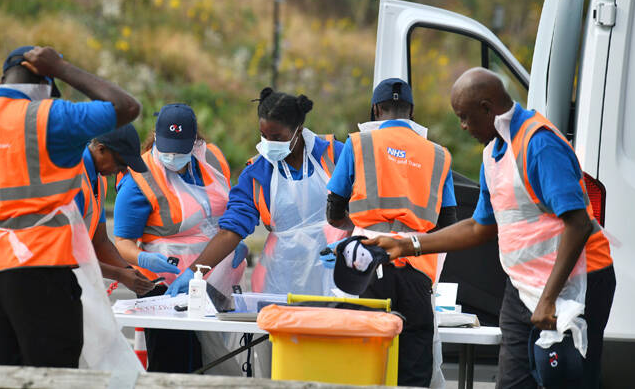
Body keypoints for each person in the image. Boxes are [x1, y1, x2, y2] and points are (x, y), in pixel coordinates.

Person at [363, 68, 614, 389]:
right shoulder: (493, 152)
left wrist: (549, 299)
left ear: (488, 107)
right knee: (512, 380)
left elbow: (577, 224)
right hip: (524, 284)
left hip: (577, 280)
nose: (463, 127)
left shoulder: (539, 144)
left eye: (466, 117)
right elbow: (480, 227)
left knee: (565, 379)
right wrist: (409, 245)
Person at [0, 45, 141, 368]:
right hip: (39, 265)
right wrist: (63, 68)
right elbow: (126, 107)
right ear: (46, 84)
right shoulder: (52, 116)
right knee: (50, 373)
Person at [324, 78, 457, 387]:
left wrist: (361, 223)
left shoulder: (359, 144)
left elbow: (334, 212)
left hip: (365, 265)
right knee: (413, 362)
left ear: (376, 110)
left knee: (362, 359)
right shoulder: (439, 155)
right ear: (411, 111)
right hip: (417, 266)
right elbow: (447, 223)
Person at [167, 87, 347, 297]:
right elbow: (230, 231)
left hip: (335, 269)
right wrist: (194, 272)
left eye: (277, 137)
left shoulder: (334, 156)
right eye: (264, 136)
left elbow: (365, 208)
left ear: (298, 130)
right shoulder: (257, 173)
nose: (269, 144)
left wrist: (349, 242)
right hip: (281, 276)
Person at [113, 103, 244, 373]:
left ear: (195, 141)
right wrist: (145, 259)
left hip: (216, 280)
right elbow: (122, 242)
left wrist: (235, 244)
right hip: (167, 287)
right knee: (174, 366)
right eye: (167, 148)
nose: (173, 156)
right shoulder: (140, 177)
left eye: (180, 149)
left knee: (212, 365)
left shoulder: (213, 160)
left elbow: (225, 213)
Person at [74, 123, 154, 296]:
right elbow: (68, 253)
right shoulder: (73, 178)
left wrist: (129, 271)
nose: (122, 170)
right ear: (101, 149)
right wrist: (119, 275)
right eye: (120, 163)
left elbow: (100, 241)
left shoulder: (98, 179)